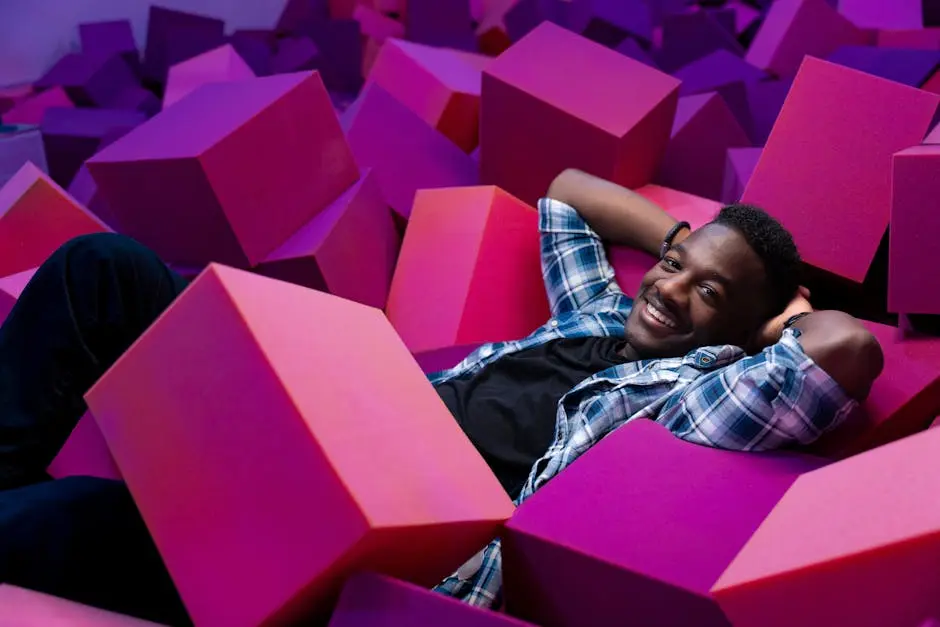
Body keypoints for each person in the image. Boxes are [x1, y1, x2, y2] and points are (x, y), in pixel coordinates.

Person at [0, 169, 883, 623]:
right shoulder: (595, 312)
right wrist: (692, 241)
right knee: (103, 269)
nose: (668, 287)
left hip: (363, 526)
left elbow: (845, 349)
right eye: (673, 266)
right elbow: (568, 194)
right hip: (338, 410)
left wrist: (774, 324)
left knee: (58, 523)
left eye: (707, 293)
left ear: (743, 332)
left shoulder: (692, 401)